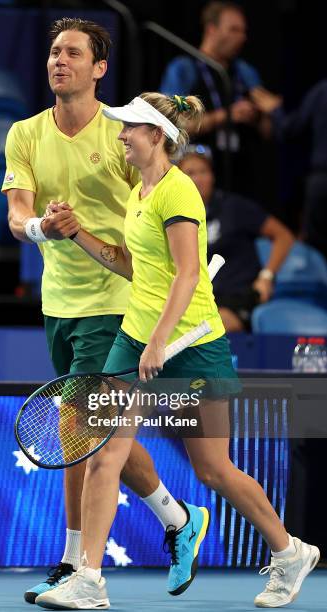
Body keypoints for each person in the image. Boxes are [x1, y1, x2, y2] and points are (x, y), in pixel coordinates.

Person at [36, 92, 319, 610]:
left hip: (192, 345)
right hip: (135, 337)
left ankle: (290, 552)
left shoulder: (179, 191)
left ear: (157, 137)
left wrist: (161, 342)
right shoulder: (140, 193)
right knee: (106, 451)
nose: (120, 135)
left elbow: (189, 273)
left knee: (214, 469)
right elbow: (132, 266)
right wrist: (78, 236)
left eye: (129, 129)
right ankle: (88, 580)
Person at [3, 18, 209, 603]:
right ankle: (176, 519)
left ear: (99, 69)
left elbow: (156, 194)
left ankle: (79, 566)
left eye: (72, 53)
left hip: (118, 303)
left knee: (81, 428)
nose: (57, 61)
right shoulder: (25, 134)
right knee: (93, 431)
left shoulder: (122, 135)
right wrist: (45, 227)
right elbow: (18, 216)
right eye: (52, 52)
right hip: (58, 302)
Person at [160, 1, 271, 198]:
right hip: (198, 176)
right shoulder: (184, 70)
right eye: (234, 30)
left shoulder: (246, 73)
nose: (242, 37)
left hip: (243, 177)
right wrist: (225, 116)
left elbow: (270, 129)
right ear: (212, 30)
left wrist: (260, 116)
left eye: (244, 31)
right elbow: (174, 124)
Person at [178, 145, 295, 332]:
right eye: (190, 173)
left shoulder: (234, 207)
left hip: (238, 299)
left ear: (213, 176)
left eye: (203, 171)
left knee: (206, 328)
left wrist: (267, 277)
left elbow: (284, 236)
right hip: (199, 301)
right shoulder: (175, 216)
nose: (198, 179)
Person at [251, 81, 327, 260]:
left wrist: (276, 110)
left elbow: (290, 128)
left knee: (318, 250)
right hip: (320, 182)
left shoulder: (323, 90)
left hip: (322, 182)